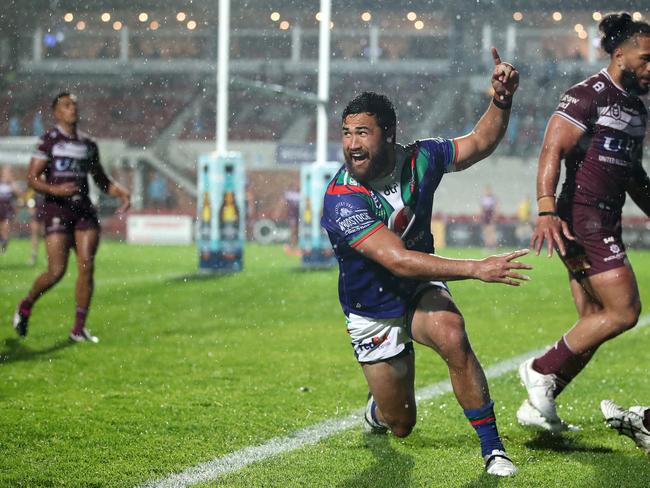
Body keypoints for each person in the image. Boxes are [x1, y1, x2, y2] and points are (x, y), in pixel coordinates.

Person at [321, 49, 526, 476]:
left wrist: (501, 101)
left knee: (452, 334)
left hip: (418, 288)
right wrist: (476, 268)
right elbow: (396, 260)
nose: (352, 144)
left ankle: (493, 450)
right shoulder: (342, 199)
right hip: (371, 308)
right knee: (402, 424)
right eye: (346, 133)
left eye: (362, 132)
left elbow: (479, 142)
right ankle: (380, 409)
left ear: (389, 134)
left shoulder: (422, 158)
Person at [517, 13, 650, 432]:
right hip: (580, 219)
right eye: (647, 59)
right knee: (624, 311)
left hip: (603, 221)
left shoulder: (636, 108)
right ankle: (540, 370)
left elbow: (633, 175)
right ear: (619, 55)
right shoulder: (588, 94)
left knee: (595, 315)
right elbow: (551, 149)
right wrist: (544, 209)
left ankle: (540, 405)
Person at [12, 92, 130, 343]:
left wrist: (120, 191)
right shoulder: (49, 141)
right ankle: (26, 304)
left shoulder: (88, 144)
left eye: (75, 105)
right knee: (56, 271)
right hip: (57, 210)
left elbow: (101, 180)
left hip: (83, 210)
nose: (72, 109)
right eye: (66, 106)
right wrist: (55, 190)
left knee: (87, 266)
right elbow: (32, 179)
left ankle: (78, 329)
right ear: (56, 113)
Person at [0, 166, 19, 254]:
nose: (7, 174)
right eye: (5, 172)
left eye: (9, 172)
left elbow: (19, 193)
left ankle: (4, 243)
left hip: (7, 209)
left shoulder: (12, 183)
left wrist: (12, 182)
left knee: (6, 227)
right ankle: (3, 240)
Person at [25, 188, 46, 265]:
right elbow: (29, 198)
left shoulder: (48, 184)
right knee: (34, 234)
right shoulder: (34, 186)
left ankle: (48, 256)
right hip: (36, 210)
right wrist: (30, 207)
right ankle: (33, 256)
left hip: (46, 210)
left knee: (46, 234)